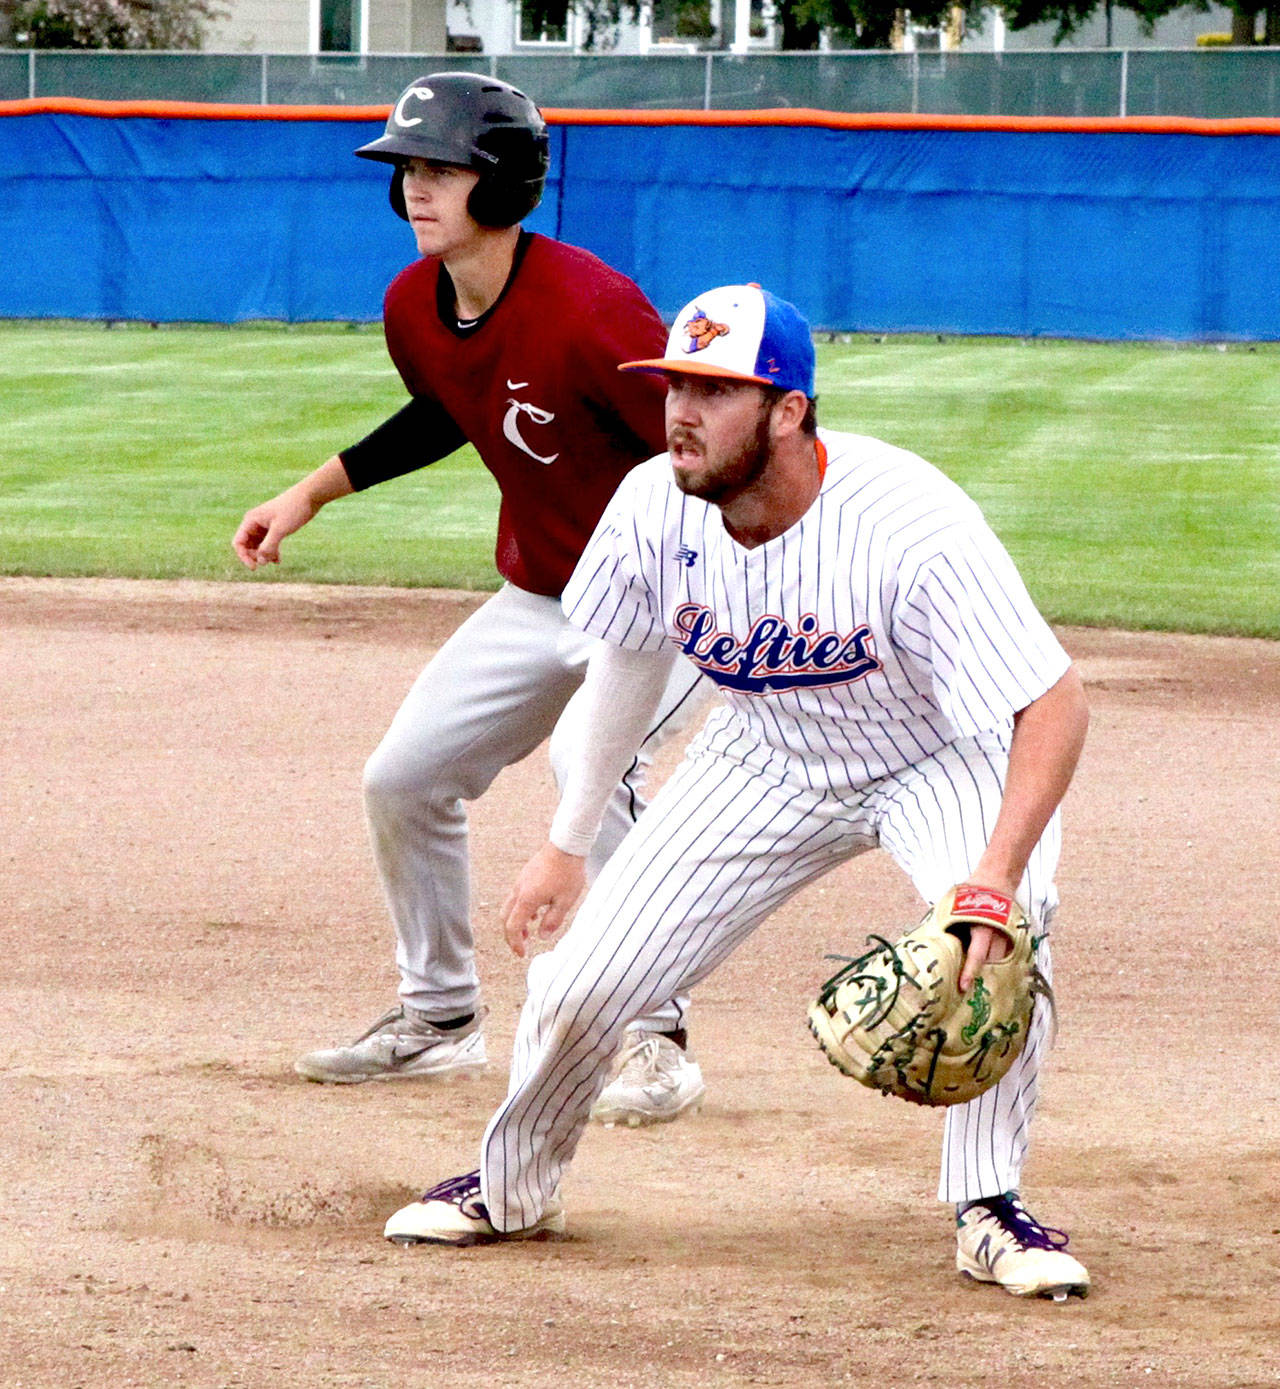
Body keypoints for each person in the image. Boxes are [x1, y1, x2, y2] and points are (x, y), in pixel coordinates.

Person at [382, 283, 1093, 1301]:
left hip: (942, 753)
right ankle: (511, 1187)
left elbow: (1052, 703)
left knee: (997, 929)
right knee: (582, 982)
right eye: (674, 383)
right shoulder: (649, 506)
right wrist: (567, 841)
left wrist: (991, 875)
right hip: (765, 754)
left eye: (714, 390)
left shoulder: (910, 524)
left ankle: (986, 1208)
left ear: (788, 409)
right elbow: (625, 664)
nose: (680, 411)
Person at [232, 73, 707, 1127]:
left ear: (501, 184)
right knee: (403, 777)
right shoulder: (415, 301)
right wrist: (307, 494)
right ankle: (439, 1019)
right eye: (408, 168)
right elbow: (443, 411)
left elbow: (699, 441)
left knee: (596, 766)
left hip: (658, 608)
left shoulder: (591, 310)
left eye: (442, 168)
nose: (416, 188)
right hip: (537, 595)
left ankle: (652, 1032)